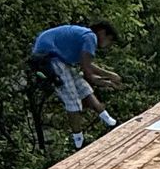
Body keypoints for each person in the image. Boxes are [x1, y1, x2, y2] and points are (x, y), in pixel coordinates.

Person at [28, 21, 123, 149]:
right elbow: (88, 73)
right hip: (49, 58)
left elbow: (87, 65)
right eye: (109, 40)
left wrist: (110, 76)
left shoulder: (82, 38)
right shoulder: (91, 37)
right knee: (72, 99)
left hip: (58, 58)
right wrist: (109, 81)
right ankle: (78, 141)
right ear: (102, 33)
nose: (108, 45)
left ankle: (110, 122)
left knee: (84, 89)